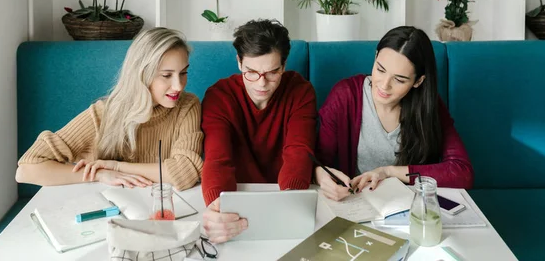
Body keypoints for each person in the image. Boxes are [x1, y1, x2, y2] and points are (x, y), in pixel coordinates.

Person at [15, 27, 204, 191]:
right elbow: (27, 169)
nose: (179, 86)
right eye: (166, 75)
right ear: (142, 74)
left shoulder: (187, 106)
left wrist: (116, 166)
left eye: (183, 73)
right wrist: (99, 175)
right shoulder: (103, 114)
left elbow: (186, 172)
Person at [315, 26, 473, 202]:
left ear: (418, 81)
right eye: (380, 70)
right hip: (357, 203)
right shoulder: (345, 96)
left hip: (408, 207)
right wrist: (321, 175)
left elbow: (462, 172)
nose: (384, 85)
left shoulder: (429, 106)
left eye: (399, 79)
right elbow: (317, 162)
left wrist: (388, 172)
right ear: (375, 57)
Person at [200, 19, 317, 243]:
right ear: (239, 63)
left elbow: (298, 151)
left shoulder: (301, 92)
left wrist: (289, 204)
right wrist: (217, 207)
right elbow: (217, 158)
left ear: (283, 66)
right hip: (236, 197)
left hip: (285, 196)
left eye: (272, 72)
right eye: (251, 72)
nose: (261, 84)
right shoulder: (219, 96)